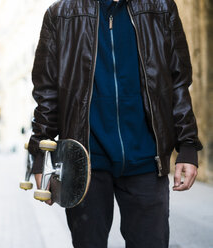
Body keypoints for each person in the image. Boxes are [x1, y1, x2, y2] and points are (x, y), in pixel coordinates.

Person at [27, 0, 203, 247]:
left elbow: (177, 82)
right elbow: (46, 92)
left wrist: (187, 146)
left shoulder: (160, 7)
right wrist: (40, 156)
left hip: (146, 161)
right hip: (85, 164)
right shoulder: (61, 14)